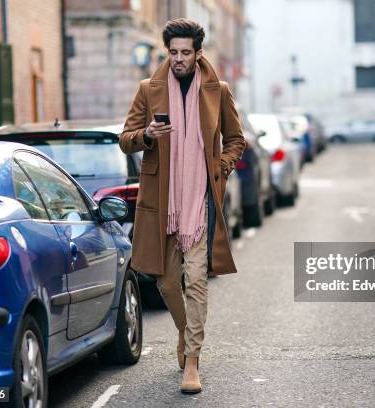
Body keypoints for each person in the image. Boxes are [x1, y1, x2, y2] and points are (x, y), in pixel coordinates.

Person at [119, 18, 246, 394]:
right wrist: (147, 135)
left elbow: (235, 139)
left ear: (198, 53)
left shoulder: (217, 90)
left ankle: (192, 359)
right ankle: (183, 332)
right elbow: (126, 139)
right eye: (173, 52)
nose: (178, 59)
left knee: (197, 283)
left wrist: (221, 168)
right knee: (165, 281)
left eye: (185, 53)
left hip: (200, 202)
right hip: (163, 203)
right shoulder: (149, 89)